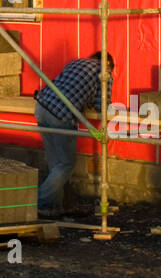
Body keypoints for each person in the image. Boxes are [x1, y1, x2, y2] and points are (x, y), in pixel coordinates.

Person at [33, 51, 115, 218]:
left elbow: (71, 87)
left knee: (56, 163)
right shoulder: (105, 73)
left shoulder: (75, 62)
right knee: (66, 164)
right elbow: (102, 106)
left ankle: (53, 206)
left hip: (41, 107)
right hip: (61, 114)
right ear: (109, 65)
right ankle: (39, 201)